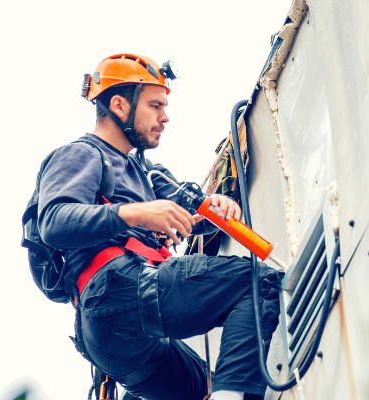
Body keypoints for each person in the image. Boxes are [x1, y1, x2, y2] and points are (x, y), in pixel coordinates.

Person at [36, 53, 283, 400]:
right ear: (119, 105)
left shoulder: (145, 172)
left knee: (206, 387)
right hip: (116, 289)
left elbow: (182, 212)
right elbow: (54, 220)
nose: (165, 117)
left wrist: (209, 211)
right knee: (259, 283)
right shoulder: (83, 154)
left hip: (118, 341)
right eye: (154, 105)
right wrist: (136, 213)